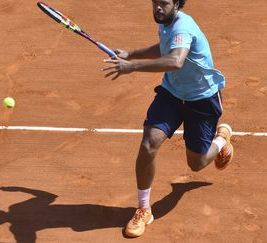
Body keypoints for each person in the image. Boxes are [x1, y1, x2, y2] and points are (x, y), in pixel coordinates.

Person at [102, 0, 234, 238]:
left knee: (197, 163)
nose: (157, 8)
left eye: (163, 3)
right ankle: (143, 209)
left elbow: (175, 61)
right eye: (155, 3)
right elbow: (165, 48)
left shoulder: (183, 27)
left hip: (202, 100)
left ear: (177, 4)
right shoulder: (166, 22)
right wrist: (130, 53)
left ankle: (222, 139)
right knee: (148, 144)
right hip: (172, 94)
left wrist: (131, 66)